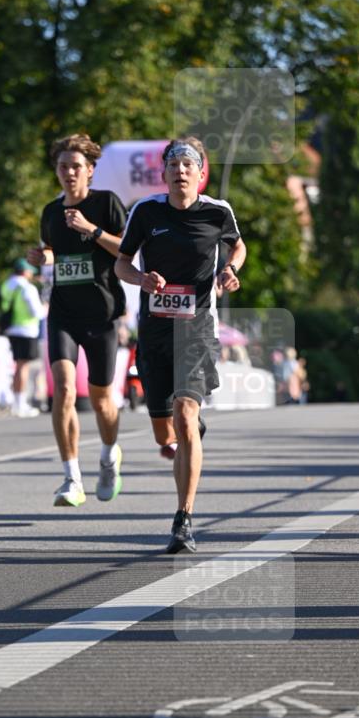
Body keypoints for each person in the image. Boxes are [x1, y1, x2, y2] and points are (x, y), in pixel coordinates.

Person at [115, 137, 246, 553]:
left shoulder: (218, 211)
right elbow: (121, 262)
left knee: (186, 416)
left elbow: (237, 245)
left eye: (188, 164)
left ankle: (183, 519)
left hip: (198, 329)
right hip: (154, 332)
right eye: (173, 164)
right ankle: (181, 431)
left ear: (200, 172)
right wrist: (141, 279)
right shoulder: (146, 211)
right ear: (164, 173)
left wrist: (230, 268)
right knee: (164, 434)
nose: (180, 170)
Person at [27, 134, 127, 507]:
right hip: (63, 313)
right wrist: (45, 258)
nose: (69, 173)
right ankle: (71, 478)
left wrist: (92, 230)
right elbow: (55, 252)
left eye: (76, 167)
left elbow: (127, 250)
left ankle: (109, 455)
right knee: (65, 390)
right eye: (62, 167)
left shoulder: (106, 203)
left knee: (102, 401)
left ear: (90, 170)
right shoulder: (51, 212)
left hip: (102, 314)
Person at [0, 257, 46, 417]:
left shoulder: (6, 285)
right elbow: (37, 313)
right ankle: (20, 404)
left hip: (11, 329)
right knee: (23, 367)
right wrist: (45, 308)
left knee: (18, 366)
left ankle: (16, 403)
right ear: (25, 271)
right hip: (26, 329)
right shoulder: (27, 288)